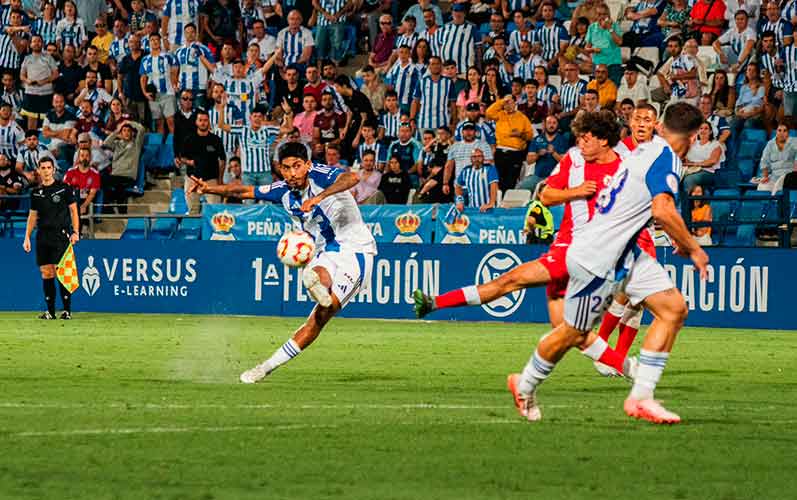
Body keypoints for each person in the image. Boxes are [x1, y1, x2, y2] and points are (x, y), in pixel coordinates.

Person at [505, 103, 706, 424]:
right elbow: (663, 210)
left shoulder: (646, 149)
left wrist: (680, 241)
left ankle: (641, 397)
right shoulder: (665, 157)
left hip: (623, 248)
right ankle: (524, 383)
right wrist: (694, 249)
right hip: (600, 252)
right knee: (573, 332)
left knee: (673, 308)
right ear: (695, 136)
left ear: (660, 125)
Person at [414, 111, 640, 375]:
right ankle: (628, 368)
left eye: (586, 138)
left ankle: (435, 302)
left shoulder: (627, 170)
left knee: (510, 281)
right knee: (567, 331)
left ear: (604, 141)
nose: (580, 143)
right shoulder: (574, 159)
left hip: (582, 253)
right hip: (564, 245)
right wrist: (575, 192)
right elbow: (545, 195)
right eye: (578, 138)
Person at [187, 142, 377, 383]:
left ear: (307, 165)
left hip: (356, 250)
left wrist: (319, 197)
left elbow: (351, 178)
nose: (292, 173)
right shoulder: (283, 190)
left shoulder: (320, 174)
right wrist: (210, 189)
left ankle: (318, 291)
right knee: (317, 289)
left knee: (321, 315)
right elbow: (245, 192)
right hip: (325, 251)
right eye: (286, 168)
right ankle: (263, 367)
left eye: (297, 167)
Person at [22, 157, 79, 320]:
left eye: (49, 167)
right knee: (46, 272)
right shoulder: (35, 193)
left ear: (53, 170)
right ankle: (51, 312)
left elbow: (74, 211)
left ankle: (67, 311)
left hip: (60, 234)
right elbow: (32, 217)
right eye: (43, 168)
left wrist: (75, 232)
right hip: (42, 236)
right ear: (39, 171)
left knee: (62, 271)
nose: (46, 170)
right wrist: (27, 237)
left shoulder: (64, 188)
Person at [179, 109, 225, 213]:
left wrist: (220, 179)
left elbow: (222, 160)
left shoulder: (216, 139)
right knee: (193, 211)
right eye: (200, 120)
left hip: (211, 180)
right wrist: (189, 162)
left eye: (205, 120)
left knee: (215, 212)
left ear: (209, 122)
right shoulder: (189, 139)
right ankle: (194, 229)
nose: (203, 123)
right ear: (196, 122)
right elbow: (182, 158)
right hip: (192, 180)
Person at [486, 94, 534, 192]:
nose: (507, 105)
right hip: (500, 151)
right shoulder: (500, 114)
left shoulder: (522, 117)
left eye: (510, 102)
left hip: (515, 153)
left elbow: (530, 135)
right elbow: (488, 113)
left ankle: (508, 204)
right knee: (498, 180)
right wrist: (501, 101)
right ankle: (499, 202)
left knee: (511, 181)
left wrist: (520, 134)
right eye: (506, 103)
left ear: (515, 103)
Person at [102, 120, 146, 214]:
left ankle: (118, 210)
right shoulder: (117, 144)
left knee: (117, 186)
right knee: (103, 181)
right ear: (121, 133)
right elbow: (106, 143)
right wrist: (117, 130)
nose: (126, 133)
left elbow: (141, 129)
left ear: (132, 133)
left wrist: (130, 122)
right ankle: (113, 210)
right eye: (124, 130)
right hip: (115, 175)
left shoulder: (136, 144)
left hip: (128, 176)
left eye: (128, 131)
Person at [140, 33, 178, 134]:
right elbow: (143, 78)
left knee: (171, 121)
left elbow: (175, 72)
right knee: (158, 123)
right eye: (152, 40)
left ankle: (174, 147)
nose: (155, 42)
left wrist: (175, 85)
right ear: (149, 42)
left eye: (157, 39)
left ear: (160, 41)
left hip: (168, 93)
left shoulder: (168, 56)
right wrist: (145, 93)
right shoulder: (145, 59)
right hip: (153, 95)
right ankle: (160, 147)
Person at [19, 34, 58, 131]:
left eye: (39, 41)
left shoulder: (49, 58)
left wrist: (44, 81)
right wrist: (27, 80)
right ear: (30, 44)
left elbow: (56, 74)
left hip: (46, 93)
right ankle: (31, 143)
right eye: (34, 41)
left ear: (42, 44)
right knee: (31, 122)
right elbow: (22, 75)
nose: (36, 43)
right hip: (31, 93)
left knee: (47, 122)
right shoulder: (27, 58)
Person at [520, 115, 568, 191]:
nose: (551, 125)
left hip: (555, 177)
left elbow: (565, 162)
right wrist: (538, 154)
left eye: (554, 123)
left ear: (557, 125)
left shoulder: (563, 140)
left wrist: (554, 153)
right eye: (549, 123)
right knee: (521, 187)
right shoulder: (537, 139)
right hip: (538, 177)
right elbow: (529, 161)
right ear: (545, 125)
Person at [411, 56, 455, 132]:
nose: (435, 66)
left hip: (443, 123)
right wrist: (412, 119)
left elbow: (453, 103)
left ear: (441, 65)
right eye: (433, 64)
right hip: (425, 123)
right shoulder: (422, 82)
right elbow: (415, 101)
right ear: (429, 66)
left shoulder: (448, 82)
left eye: (437, 64)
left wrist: (454, 121)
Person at [63, 146, 100, 233]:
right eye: (82, 155)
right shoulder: (70, 172)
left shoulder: (95, 174)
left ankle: (82, 231)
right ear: (78, 157)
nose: (84, 158)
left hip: (86, 201)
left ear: (90, 158)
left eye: (87, 156)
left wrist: (84, 205)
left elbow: (92, 193)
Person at [585, 5, 623, 86]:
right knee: (598, 91)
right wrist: (593, 50)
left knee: (613, 91)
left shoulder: (615, 25)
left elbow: (619, 42)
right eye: (599, 14)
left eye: (604, 14)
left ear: (608, 15)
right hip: (598, 65)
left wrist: (610, 28)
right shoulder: (592, 27)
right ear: (595, 15)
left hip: (613, 64)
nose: (602, 16)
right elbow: (587, 48)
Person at [454, 148, 498, 212]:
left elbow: (494, 186)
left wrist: (491, 203)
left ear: (483, 158)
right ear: (471, 159)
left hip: (488, 209)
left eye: (479, 156)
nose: (477, 159)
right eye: (474, 157)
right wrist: (460, 200)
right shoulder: (466, 171)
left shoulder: (490, 169)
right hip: (473, 209)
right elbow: (458, 186)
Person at [757, 123, 797, 193]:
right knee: (762, 186)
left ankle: (777, 201)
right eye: (779, 130)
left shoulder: (794, 142)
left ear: (788, 133)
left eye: (784, 131)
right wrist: (765, 177)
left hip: (788, 176)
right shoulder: (770, 144)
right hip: (774, 176)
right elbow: (764, 161)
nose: (782, 133)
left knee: (777, 188)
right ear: (776, 132)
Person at [683, 121, 722, 192]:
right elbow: (684, 158)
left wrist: (692, 164)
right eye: (701, 128)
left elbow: (711, 162)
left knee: (689, 179)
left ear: (710, 132)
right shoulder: (692, 143)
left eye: (706, 128)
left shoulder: (715, 145)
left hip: (707, 172)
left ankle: (687, 202)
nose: (703, 130)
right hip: (689, 169)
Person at [713, 10, 756, 74]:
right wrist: (720, 53)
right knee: (723, 49)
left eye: (742, 19)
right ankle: (724, 71)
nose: (739, 21)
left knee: (745, 48)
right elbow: (715, 43)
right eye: (737, 19)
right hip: (736, 56)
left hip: (747, 59)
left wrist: (738, 63)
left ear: (747, 20)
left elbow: (747, 49)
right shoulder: (732, 31)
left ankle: (737, 69)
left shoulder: (750, 32)